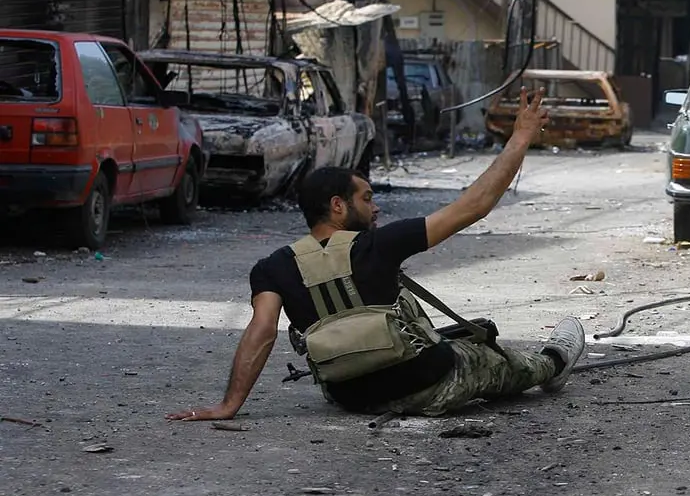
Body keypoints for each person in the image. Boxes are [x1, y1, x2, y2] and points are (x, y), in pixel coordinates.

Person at [166, 88, 587, 422]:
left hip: (353, 398)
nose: (376, 207)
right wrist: (521, 137)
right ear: (337, 206)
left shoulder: (272, 268)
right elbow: (474, 205)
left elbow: (260, 333)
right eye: (366, 198)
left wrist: (229, 405)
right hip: (433, 384)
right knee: (503, 363)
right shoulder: (380, 243)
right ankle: (555, 359)